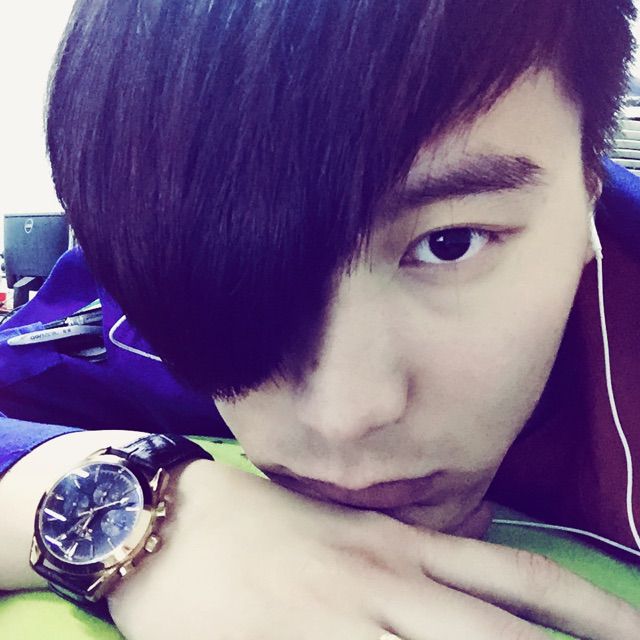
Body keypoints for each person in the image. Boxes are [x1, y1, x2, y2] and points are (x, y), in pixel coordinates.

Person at [1, 0, 640, 638]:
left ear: (589, 184)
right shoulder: (154, 282)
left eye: (450, 244)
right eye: (234, 260)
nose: (344, 416)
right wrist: (143, 516)